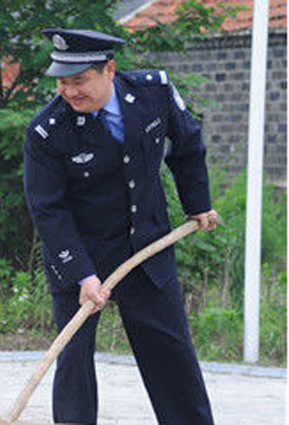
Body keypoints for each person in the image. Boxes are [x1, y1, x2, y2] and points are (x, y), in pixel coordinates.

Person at [23, 29, 219, 425]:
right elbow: (49, 211)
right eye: (63, 82)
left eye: (79, 81)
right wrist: (82, 275)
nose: (70, 92)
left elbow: (187, 145)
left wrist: (197, 205)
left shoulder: (153, 93)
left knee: (172, 355)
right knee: (74, 363)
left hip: (146, 249)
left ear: (109, 70)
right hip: (80, 255)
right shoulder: (46, 131)